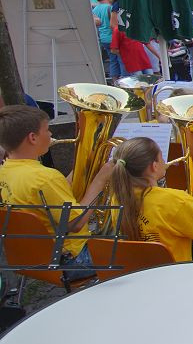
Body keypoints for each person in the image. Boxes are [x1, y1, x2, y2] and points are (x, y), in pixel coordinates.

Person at [0, 105, 115, 274]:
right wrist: (100, 180)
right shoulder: (46, 178)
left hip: (30, 256)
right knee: (132, 246)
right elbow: (76, 224)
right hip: (72, 260)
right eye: (47, 130)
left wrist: (84, 168)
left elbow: (51, 195)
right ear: (32, 137)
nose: (51, 134)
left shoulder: (6, 171)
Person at [108, 137, 193, 262]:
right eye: (161, 158)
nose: (164, 162)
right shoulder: (175, 201)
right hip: (176, 276)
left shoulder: (118, 197)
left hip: (141, 273)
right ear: (154, 166)